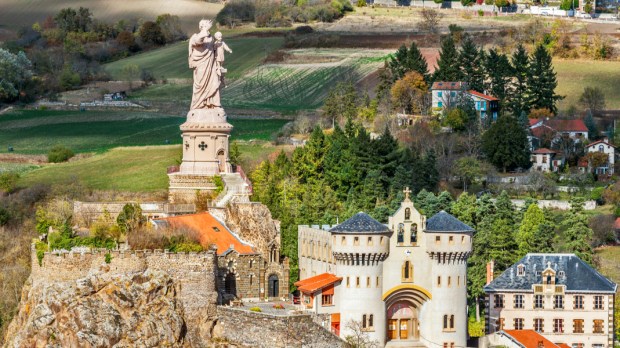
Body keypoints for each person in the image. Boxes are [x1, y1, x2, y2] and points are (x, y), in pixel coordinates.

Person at [188, 19, 221, 109]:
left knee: (214, 82)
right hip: (201, 66)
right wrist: (205, 30)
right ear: (202, 26)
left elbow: (215, 50)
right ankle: (198, 105)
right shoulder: (196, 36)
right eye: (206, 24)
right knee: (200, 85)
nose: (209, 25)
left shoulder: (211, 37)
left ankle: (213, 104)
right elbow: (198, 41)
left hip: (211, 65)